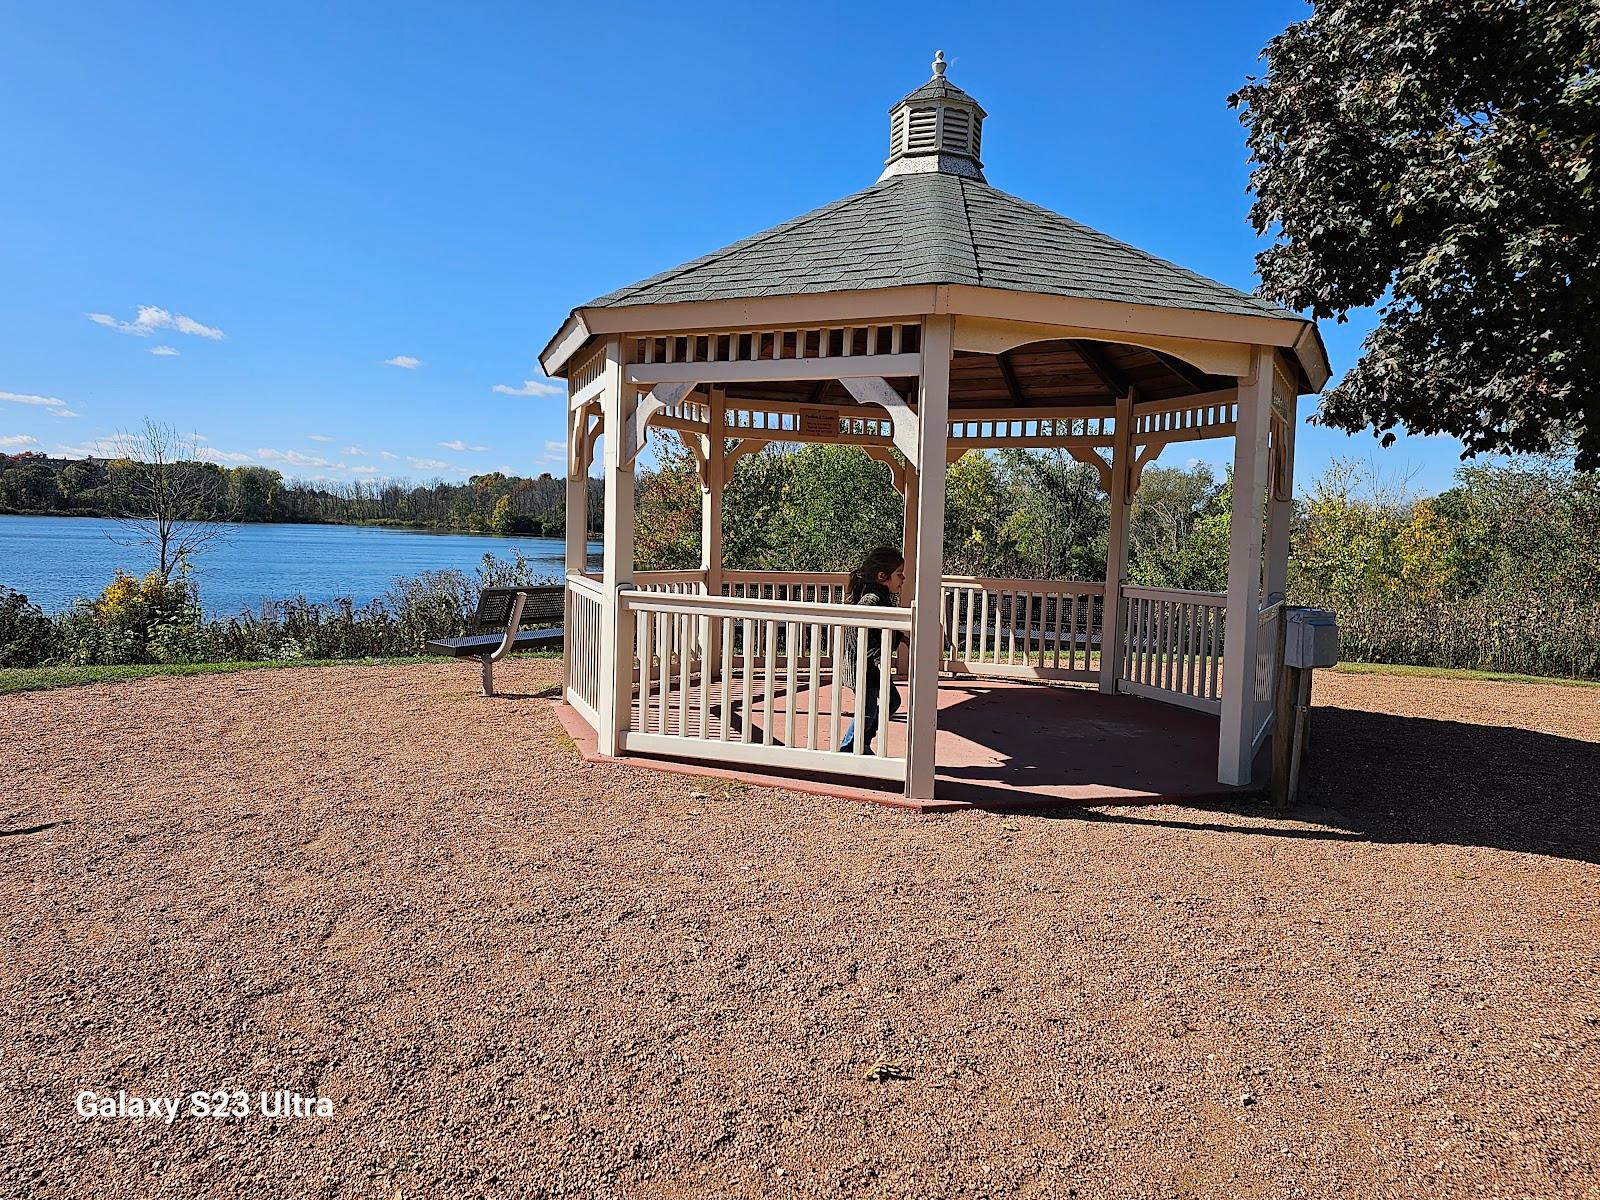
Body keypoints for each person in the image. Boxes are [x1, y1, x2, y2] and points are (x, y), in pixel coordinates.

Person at [837, 546, 906, 755]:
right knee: (867, 710)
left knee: (892, 701)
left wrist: (902, 638)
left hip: (873, 667)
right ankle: (848, 748)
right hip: (863, 667)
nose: (903, 578)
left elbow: (879, 630)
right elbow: (863, 636)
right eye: (899, 574)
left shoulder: (882, 597)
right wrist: (878, 660)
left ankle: (863, 742)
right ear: (882, 576)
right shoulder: (871, 600)